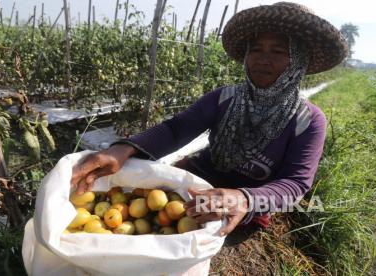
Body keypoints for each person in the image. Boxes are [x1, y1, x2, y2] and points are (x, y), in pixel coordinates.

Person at [70, 2, 348, 237]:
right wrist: (123, 148)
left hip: (243, 204)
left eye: (278, 52)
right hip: (197, 179)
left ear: (299, 62)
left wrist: (244, 199)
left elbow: (295, 183)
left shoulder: (307, 120)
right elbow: (176, 129)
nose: (263, 59)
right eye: (256, 49)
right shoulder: (224, 98)